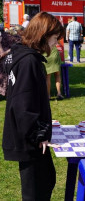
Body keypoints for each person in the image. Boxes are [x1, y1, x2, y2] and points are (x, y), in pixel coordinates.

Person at [2, 11, 65, 200]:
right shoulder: (28, 61)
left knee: (46, 180)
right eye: (55, 38)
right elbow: (23, 105)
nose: (56, 43)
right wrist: (38, 132)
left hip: (26, 134)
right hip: (29, 139)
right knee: (36, 189)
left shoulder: (22, 56)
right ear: (43, 35)